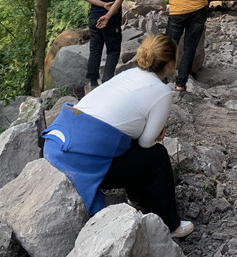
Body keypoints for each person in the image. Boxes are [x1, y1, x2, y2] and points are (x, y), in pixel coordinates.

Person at [41, 34, 194, 239]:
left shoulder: (128, 74)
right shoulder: (162, 92)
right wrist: (155, 134)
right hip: (78, 163)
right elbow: (145, 142)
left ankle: (136, 198)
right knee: (156, 156)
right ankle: (168, 223)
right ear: (169, 63)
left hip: (55, 147)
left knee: (124, 142)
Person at [83, 0, 129, 92]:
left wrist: (102, 5)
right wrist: (107, 16)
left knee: (95, 49)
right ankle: (106, 82)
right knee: (113, 51)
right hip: (111, 21)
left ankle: (93, 83)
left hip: (94, 18)